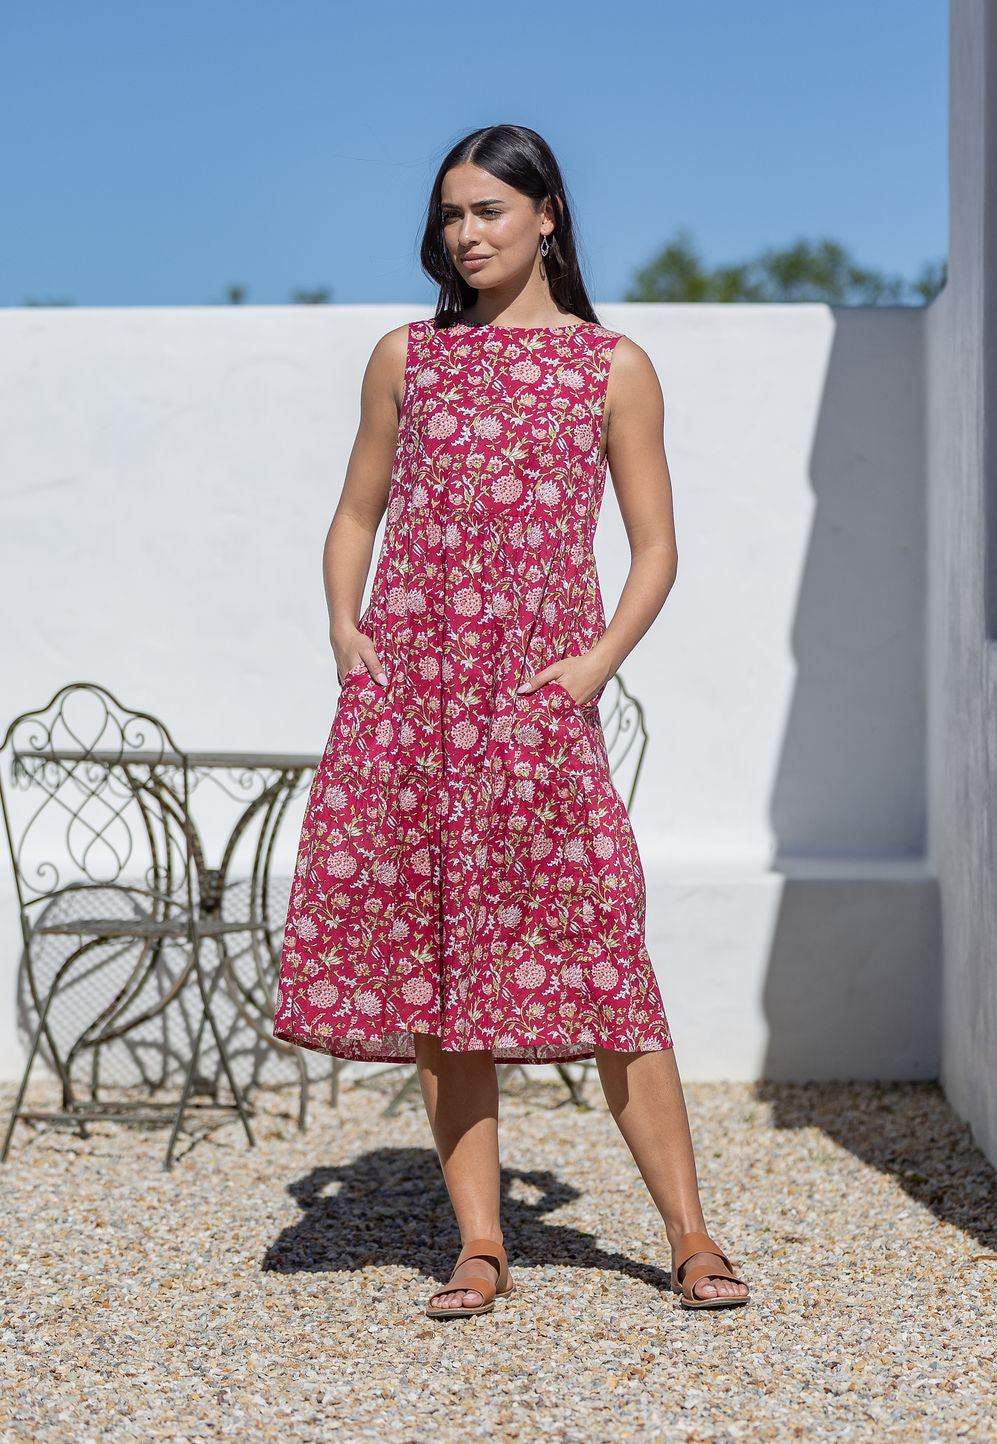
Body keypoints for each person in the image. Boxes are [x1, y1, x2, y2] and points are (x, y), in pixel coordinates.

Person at [273, 124, 750, 1317]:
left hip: (537, 708)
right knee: (443, 975)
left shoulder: (611, 366)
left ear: (547, 217)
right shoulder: (406, 358)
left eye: (488, 211)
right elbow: (353, 514)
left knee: (608, 967)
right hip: (415, 704)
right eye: (450, 216)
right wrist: (348, 633)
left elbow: (656, 550)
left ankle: (690, 1237)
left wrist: (589, 669)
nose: (465, 235)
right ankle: (479, 1244)